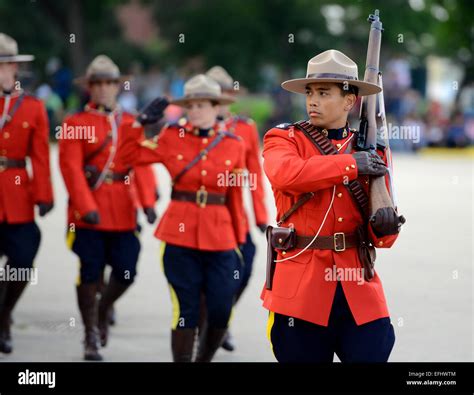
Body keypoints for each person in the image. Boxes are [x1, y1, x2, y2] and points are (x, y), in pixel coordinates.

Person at [262, 50, 405, 362]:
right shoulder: (283, 138)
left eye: (324, 93)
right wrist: (352, 164)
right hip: (300, 291)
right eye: (310, 92)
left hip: (358, 287)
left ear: (349, 100)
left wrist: (384, 225)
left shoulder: (373, 150)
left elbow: (384, 238)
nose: (312, 100)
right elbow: (286, 174)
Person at [121, 74, 246, 362]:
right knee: (186, 309)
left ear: (217, 107)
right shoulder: (170, 137)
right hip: (179, 235)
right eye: (191, 105)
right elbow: (128, 157)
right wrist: (139, 123)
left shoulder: (233, 144)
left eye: (203, 104)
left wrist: (239, 242)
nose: (196, 110)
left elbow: (236, 199)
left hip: (221, 237)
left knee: (221, 309)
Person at [58, 55, 162, 361]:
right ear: (90, 87)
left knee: (127, 271)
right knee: (90, 272)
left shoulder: (131, 122)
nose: (104, 89)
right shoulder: (74, 123)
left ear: (118, 86)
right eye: (98, 84)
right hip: (88, 212)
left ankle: (103, 309)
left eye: (109, 83)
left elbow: (139, 165)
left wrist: (147, 202)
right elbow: (71, 169)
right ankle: (90, 333)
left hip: (122, 208)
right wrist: (85, 206)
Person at [206, 66, 268, 351]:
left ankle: (221, 319)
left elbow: (254, 174)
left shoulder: (244, 128)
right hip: (204, 215)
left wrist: (261, 216)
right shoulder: (188, 128)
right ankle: (210, 324)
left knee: (244, 269)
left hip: (236, 217)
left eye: (225, 93)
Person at [0, 33, 54, 354]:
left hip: (17, 194)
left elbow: (41, 156)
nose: (3, 72)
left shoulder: (32, 107)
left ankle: (4, 313)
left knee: (22, 260)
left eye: (7, 65)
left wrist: (44, 194)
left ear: (15, 69)